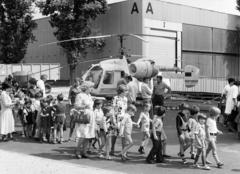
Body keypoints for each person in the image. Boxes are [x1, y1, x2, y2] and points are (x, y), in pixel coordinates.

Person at [74, 83, 94, 159]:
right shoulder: (80, 95)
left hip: (90, 116)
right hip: (84, 116)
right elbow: (76, 106)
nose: (92, 89)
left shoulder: (89, 95)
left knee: (88, 135)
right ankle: (78, 151)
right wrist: (85, 106)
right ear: (87, 88)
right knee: (82, 135)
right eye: (91, 87)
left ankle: (84, 151)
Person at [110, 84, 128, 156]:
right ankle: (112, 149)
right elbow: (112, 109)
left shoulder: (125, 99)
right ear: (121, 91)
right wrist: (113, 120)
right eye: (125, 91)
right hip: (116, 119)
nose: (127, 92)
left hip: (123, 119)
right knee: (115, 135)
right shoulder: (115, 98)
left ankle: (124, 152)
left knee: (124, 136)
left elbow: (125, 110)